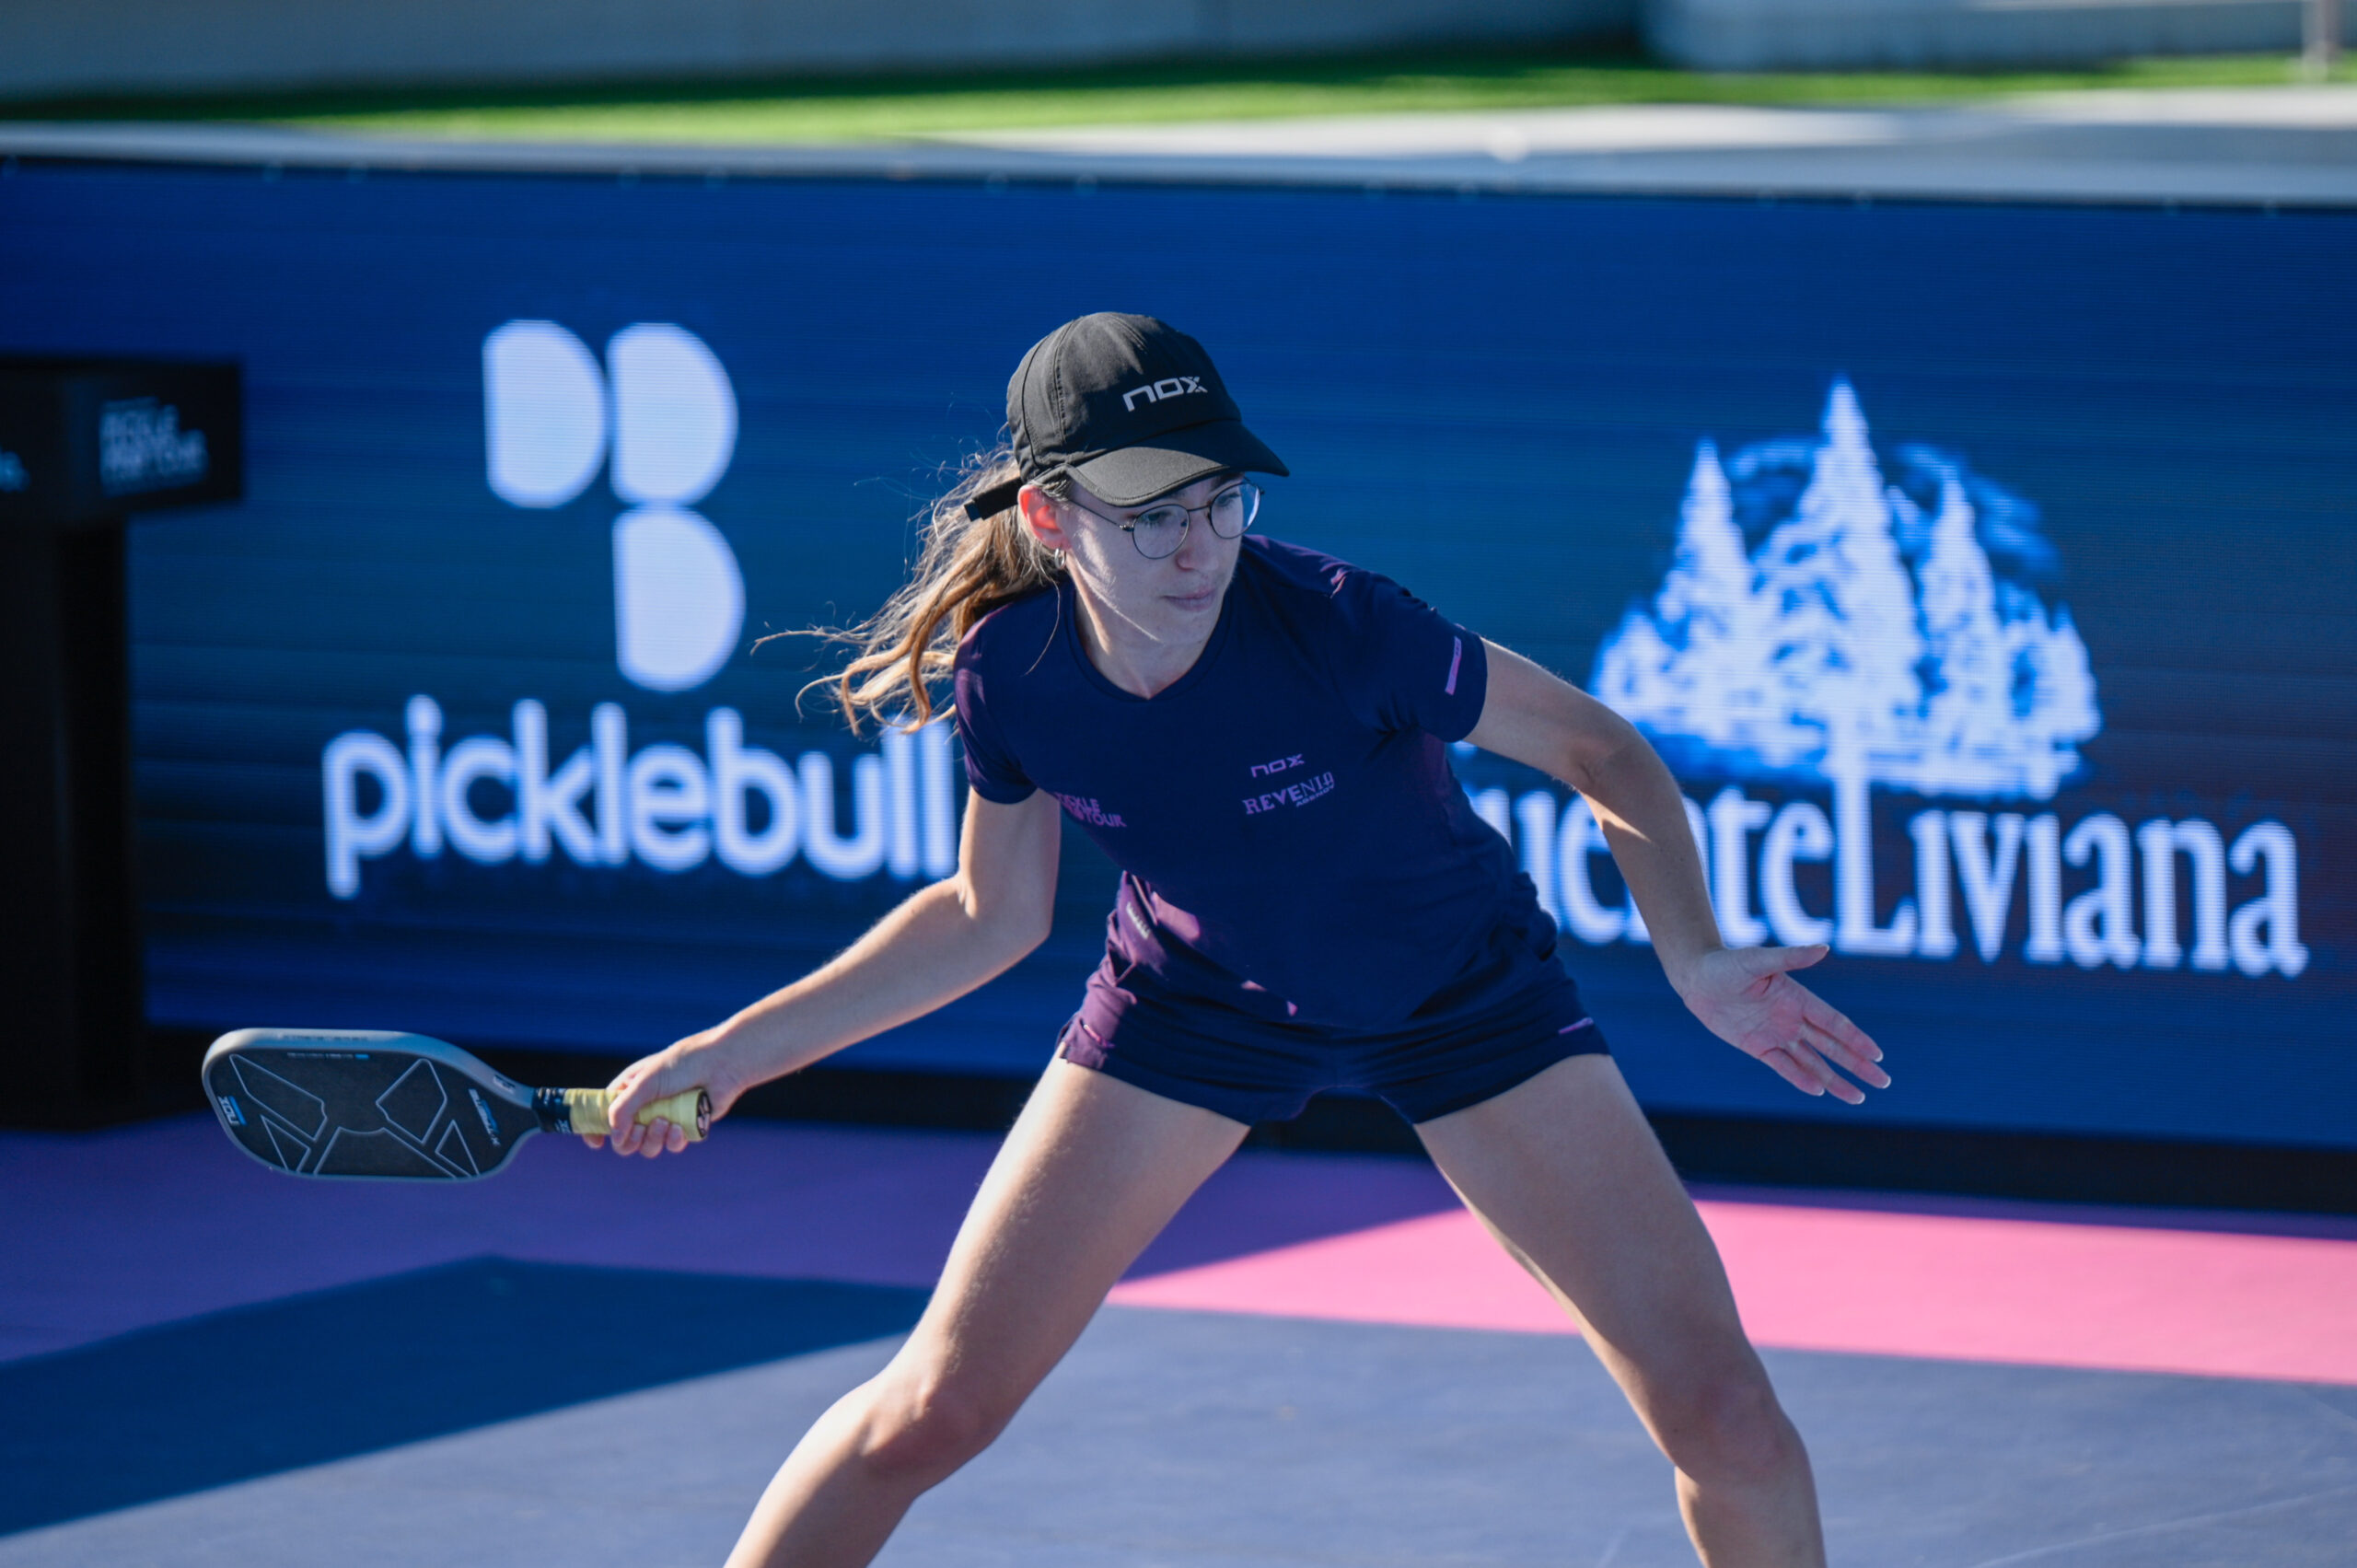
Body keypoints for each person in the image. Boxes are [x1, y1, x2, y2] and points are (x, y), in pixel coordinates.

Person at [592, 313, 1888, 1568]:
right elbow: (989, 914)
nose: (1198, 546)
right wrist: (735, 1052)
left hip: (1464, 1003)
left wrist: (1695, 956)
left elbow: (1599, 750)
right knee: (934, 1408)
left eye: (1219, 502)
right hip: (1192, 1011)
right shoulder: (1014, 674)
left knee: (1724, 1416)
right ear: (1048, 517)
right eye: (1151, 515)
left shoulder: (1346, 624)